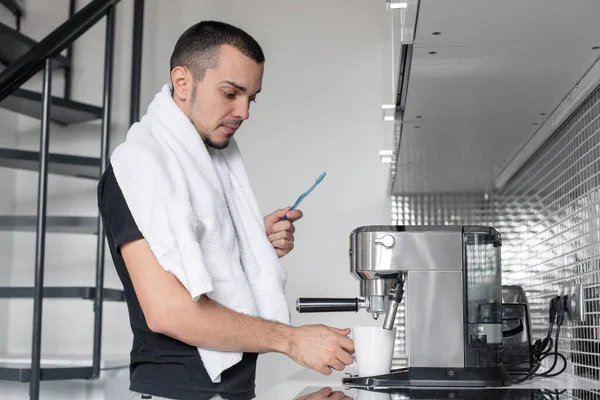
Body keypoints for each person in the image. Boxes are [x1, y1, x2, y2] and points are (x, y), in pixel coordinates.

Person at [97, 20, 354, 400]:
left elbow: (196, 250)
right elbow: (168, 311)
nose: (244, 112)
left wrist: (251, 242)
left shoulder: (207, 161)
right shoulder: (140, 168)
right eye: (231, 93)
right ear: (183, 82)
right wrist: (292, 341)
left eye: (251, 98)